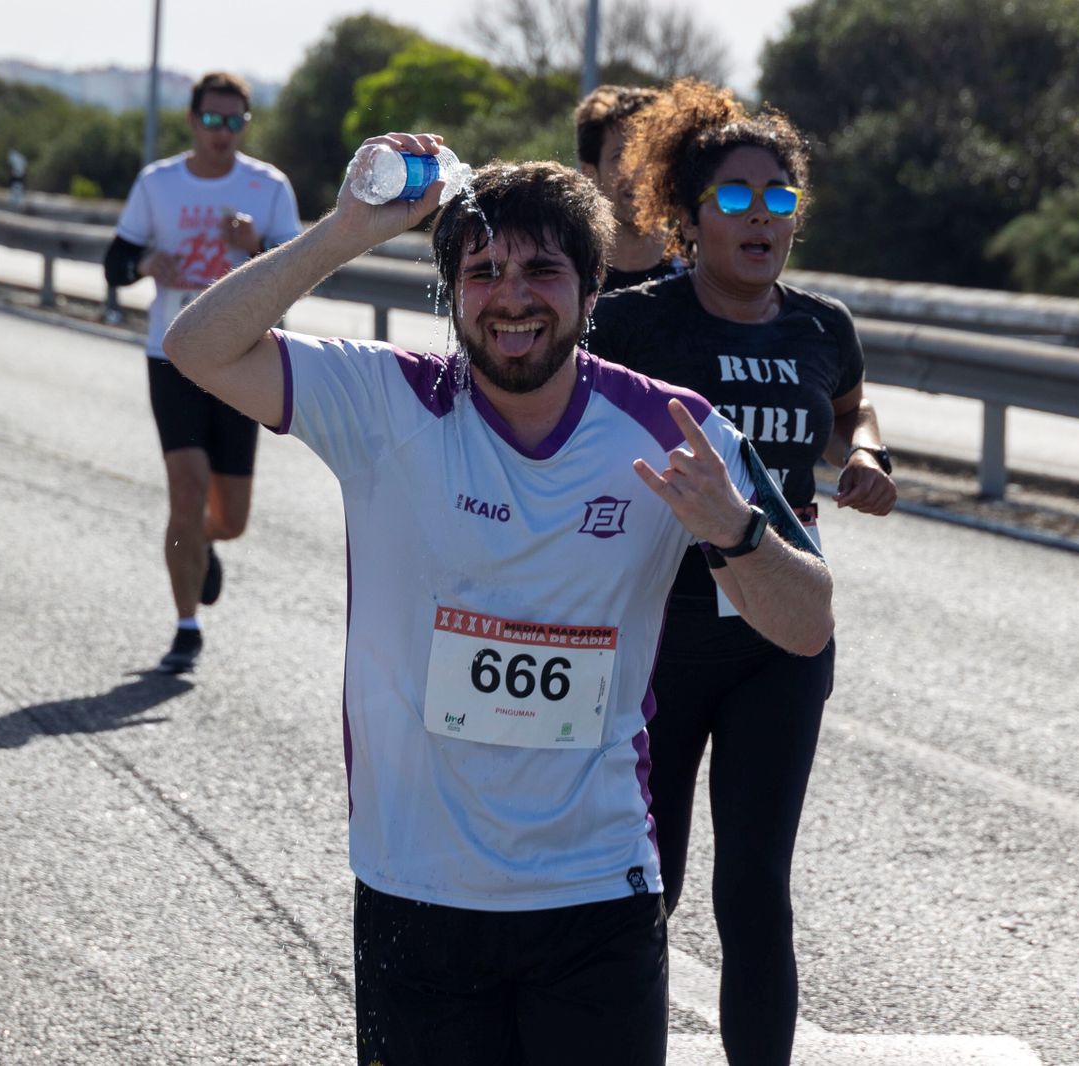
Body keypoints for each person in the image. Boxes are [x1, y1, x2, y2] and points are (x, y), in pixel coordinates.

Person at [164, 132, 835, 1065]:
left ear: (592, 290)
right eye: (482, 272)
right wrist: (350, 230)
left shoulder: (677, 430)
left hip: (597, 890)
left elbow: (808, 625)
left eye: (542, 271)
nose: (512, 296)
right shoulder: (385, 403)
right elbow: (193, 344)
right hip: (415, 890)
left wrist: (738, 531)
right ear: (450, 294)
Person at [584, 78, 898, 1066]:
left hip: (780, 637)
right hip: (657, 636)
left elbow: (853, 409)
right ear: (685, 214)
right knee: (651, 881)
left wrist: (869, 457)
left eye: (776, 197)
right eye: (732, 197)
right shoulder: (633, 324)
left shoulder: (820, 325)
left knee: (755, 887)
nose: (758, 216)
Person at [102, 71, 301, 674]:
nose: (222, 132)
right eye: (212, 120)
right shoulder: (158, 183)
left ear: (246, 123)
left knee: (232, 518)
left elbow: (300, 271)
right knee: (185, 489)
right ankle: (186, 627)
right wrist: (144, 263)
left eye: (234, 121)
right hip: (174, 354)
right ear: (192, 120)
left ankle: (205, 542)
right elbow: (114, 263)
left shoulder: (268, 188)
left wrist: (259, 241)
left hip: (244, 356)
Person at [575, 85, 682, 291]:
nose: (640, 170)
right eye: (622, 156)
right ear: (589, 173)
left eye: (651, 153)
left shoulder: (706, 276)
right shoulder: (573, 284)